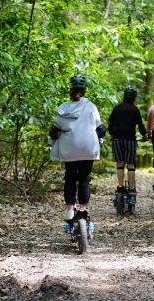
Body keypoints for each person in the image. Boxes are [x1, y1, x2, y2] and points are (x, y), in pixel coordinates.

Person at [49, 74, 106, 221]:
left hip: (70, 151)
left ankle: (69, 209)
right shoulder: (91, 107)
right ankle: (82, 210)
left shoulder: (63, 109)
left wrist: (52, 143)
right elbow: (101, 130)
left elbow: (54, 131)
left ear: (71, 90)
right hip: (88, 149)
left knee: (70, 177)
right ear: (85, 90)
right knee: (84, 179)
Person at [108, 86, 147, 197]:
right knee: (130, 164)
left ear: (124, 95)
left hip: (117, 140)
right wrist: (145, 135)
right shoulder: (135, 110)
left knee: (120, 163)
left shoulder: (117, 108)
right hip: (130, 140)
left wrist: (113, 134)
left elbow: (110, 124)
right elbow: (140, 126)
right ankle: (131, 188)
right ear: (134, 97)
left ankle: (120, 187)